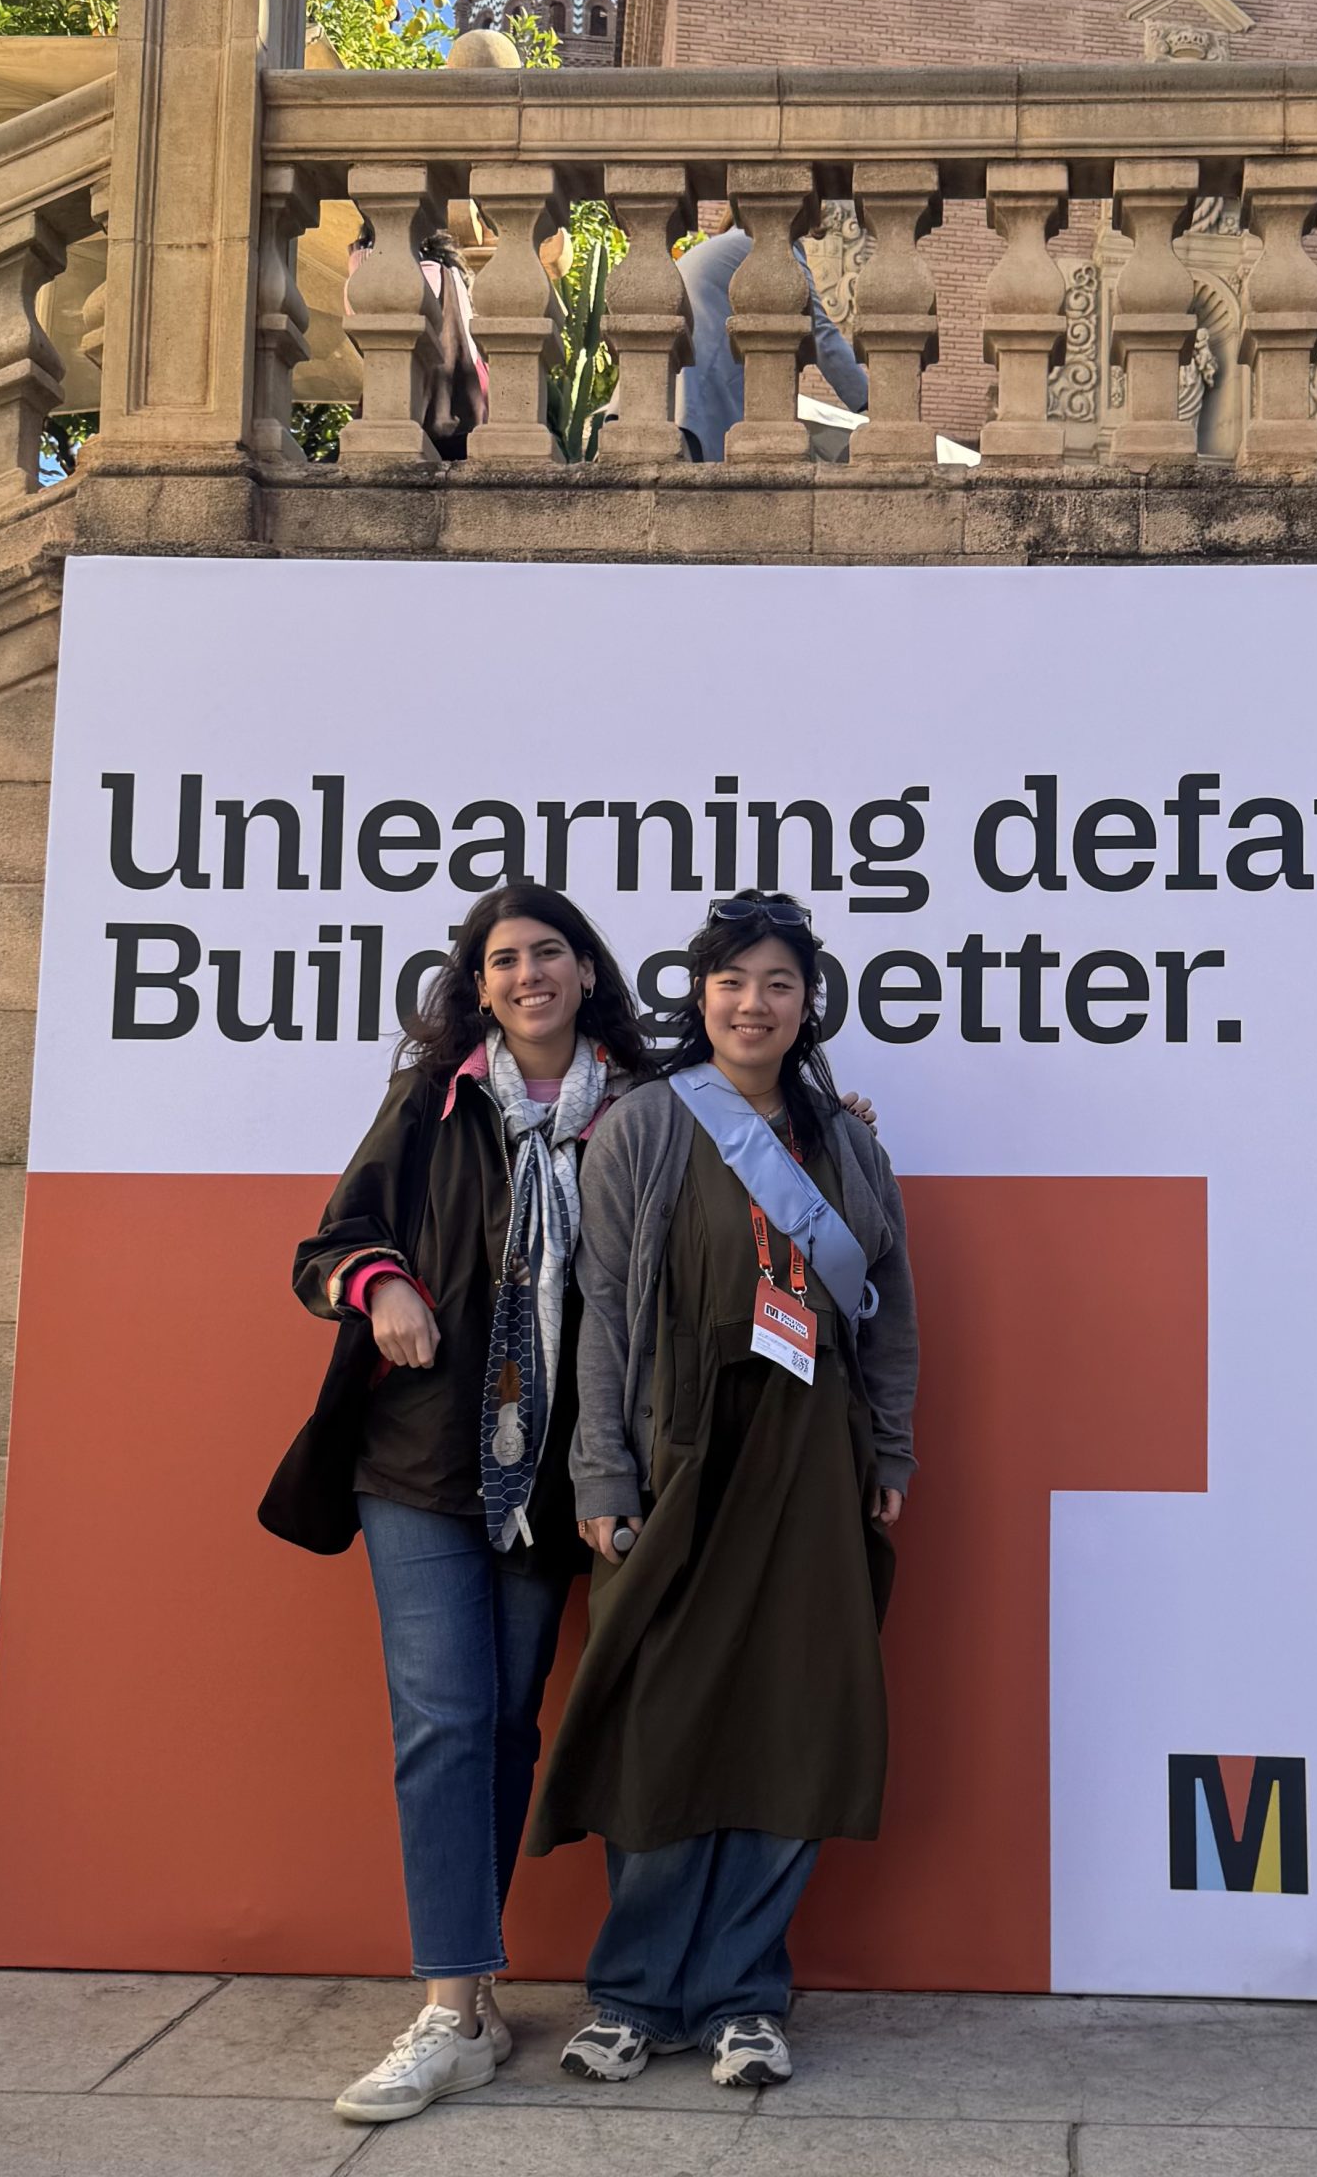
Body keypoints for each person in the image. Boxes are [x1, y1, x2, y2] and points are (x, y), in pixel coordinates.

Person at [262, 885, 649, 2125]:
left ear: (587, 971)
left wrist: (828, 1117)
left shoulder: (644, 1110)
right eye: (503, 960)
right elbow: (331, 1240)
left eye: (548, 952)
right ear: (476, 987)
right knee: (442, 1719)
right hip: (419, 1458)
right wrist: (378, 1286)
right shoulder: (432, 1103)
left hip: (555, 1474)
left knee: (503, 1724)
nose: (527, 973)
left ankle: (474, 2003)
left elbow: (738, 1174)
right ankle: (447, 2007)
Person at [528, 892, 919, 2090]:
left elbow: (889, 1310)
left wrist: (889, 1452)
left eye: (781, 984)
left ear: (809, 1007)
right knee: (662, 1722)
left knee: (792, 1722)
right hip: (678, 1454)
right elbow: (596, 1319)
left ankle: (748, 1993)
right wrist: (602, 1468)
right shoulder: (644, 1126)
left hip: (813, 1460)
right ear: (701, 996)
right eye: (734, 980)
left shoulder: (846, 1142)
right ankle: (637, 1992)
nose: (756, 1002)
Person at [675, 227, 868, 463]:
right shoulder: (772, 249)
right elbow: (821, 335)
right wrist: (873, 407)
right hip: (699, 404)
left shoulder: (731, 244)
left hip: (660, 401)